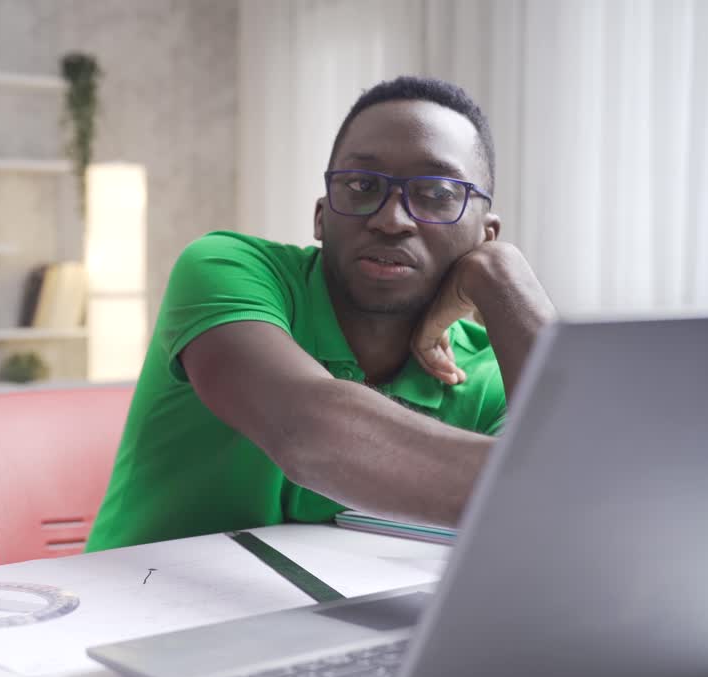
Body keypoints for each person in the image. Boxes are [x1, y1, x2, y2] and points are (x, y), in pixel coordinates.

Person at [88, 76, 555, 552]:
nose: (391, 219)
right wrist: (555, 489)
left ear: (485, 234)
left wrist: (504, 280)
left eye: (436, 193)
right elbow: (308, 435)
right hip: (134, 616)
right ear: (321, 215)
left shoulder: (483, 371)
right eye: (361, 185)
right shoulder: (223, 268)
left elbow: (586, 501)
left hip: (339, 622)